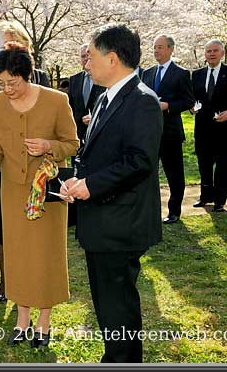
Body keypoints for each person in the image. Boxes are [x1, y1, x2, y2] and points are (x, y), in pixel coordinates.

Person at [0, 42, 79, 348]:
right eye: (1, 83)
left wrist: (48, 146)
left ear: (28, 75)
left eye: (12, 82)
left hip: (47, 192)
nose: (7, 89)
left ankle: (44, 321)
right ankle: (22, 318)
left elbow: (72, 143)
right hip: (11, 193)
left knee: (46, 254)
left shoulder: (57, 100)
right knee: (18, 255)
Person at [61, 23, 162, 362]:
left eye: (91, 57)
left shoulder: (142, 101)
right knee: (107, 302)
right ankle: (115, 357)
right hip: (102, 221)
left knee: (118, 304)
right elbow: (96, 156)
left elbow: (139, 162)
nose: (86, 64)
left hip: (122, 223)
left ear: (113, 59)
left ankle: (124, 360)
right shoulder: (105, 97)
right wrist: (74, 180)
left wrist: (91, 185)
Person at [0, 19, 51, 303]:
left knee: (32, 227)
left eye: (7, 44)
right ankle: (6, 280)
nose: (1, 50)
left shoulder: (40, 78)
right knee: (1, 228)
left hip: (31, 168)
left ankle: (33, 280)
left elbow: (50, 122)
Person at [142, 35, 195, 224]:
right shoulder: (146, 73)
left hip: (170, 132)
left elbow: (188, 101)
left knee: (174, 174)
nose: (156, 50)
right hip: (149, 132)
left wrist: (168, 106)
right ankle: (149, 210)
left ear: (171, 49)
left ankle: (174, 211)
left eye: (160, 47)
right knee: (147, 173)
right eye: (155, 47)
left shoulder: (181, 73)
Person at [190, 39, 227, 212]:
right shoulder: (197, 74)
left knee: (223, 166)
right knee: (204, 165)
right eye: (208, 51)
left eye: (215, 51)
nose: (212, 54)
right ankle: (205, 196)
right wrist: (191, 107)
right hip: (203, 128)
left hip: (224, 128)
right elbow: (191, 97)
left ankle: (220, 200)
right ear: (205, 54)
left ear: (222, 53)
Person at [68, 44, 105, 147]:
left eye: (88, 56)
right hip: (78, 134)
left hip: (98, 133)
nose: (85, 59)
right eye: (82, 56)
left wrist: (95, 118)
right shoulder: (74, 79)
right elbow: (70, 107)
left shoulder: (103, 79)